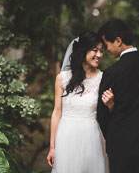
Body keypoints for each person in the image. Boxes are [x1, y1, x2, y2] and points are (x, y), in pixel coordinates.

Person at [96, 19, 139, 173]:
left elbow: (102, 114)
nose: (106, 49)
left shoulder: (111, 73)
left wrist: (112, 133)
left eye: (106, 44)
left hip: (119, 145)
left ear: (118, 41)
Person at [48, 31, 113, 173]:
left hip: (90, 137)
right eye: (95, 50)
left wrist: (110, 105)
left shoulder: (103, 79)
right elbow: (57, 112)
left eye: (101, 51)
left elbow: (109, 114)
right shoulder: (62, 78)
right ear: (83, 51)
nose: (99, 55)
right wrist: (52, 147)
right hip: (65, 136)